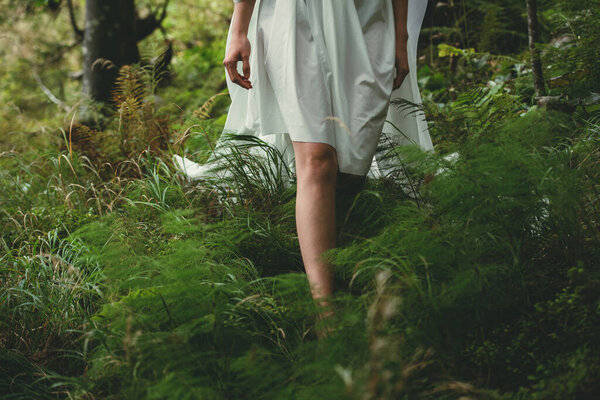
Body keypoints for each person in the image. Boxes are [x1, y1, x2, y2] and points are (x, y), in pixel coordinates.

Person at [177, 0, 433, 335]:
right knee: (317, 159)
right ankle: (328, 318)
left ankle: (356, 281)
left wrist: (401, 34)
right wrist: (239, 27)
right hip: (294, 13)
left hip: (368, 16)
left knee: (351, 168)